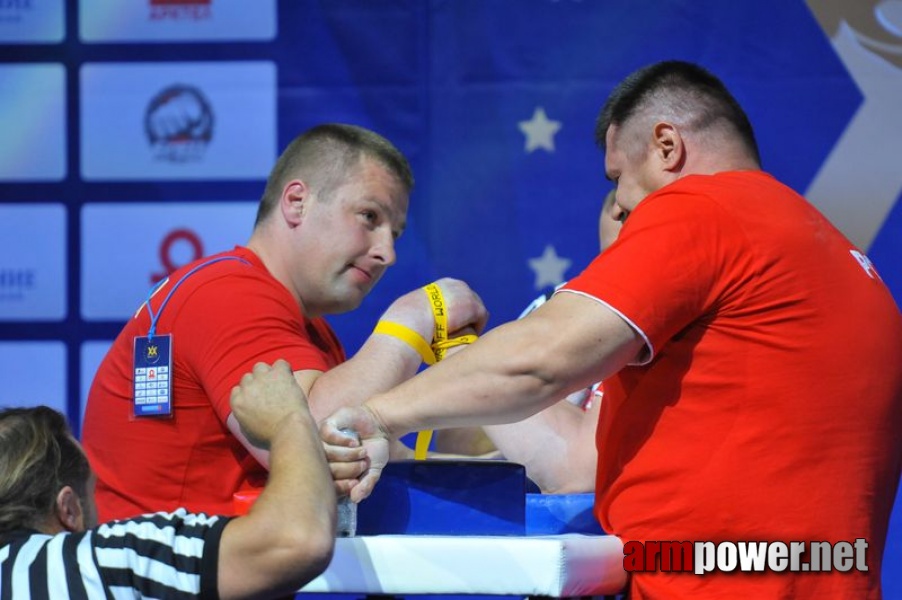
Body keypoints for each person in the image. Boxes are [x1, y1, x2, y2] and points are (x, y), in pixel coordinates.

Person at [322, 61, 902, 598]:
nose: (621, 204)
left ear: (667, 147)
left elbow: (539, 360)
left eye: (618, 178)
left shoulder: (705, 209)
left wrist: (379, 415)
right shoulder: (835, 253)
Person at [82, 123, 487, 521]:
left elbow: (366, 455)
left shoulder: (307, 327)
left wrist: (497, 469)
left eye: (394, 234)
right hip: (165, 583)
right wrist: (412, 318)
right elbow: (311, 439)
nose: (387, 253)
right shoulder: (226, 293)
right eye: (369, 217)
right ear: (296, 203)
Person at [1, 360, 335, 599]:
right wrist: (289, 420)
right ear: (69, 509)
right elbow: (295, 541)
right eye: (94, 496)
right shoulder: (105, 557)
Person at [433, 188, 624, 494]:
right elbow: (462, 437)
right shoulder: (558, 304)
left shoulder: (682, 316)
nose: (625, 220)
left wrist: (459, 350)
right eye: (622, 212)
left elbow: (579, 475)